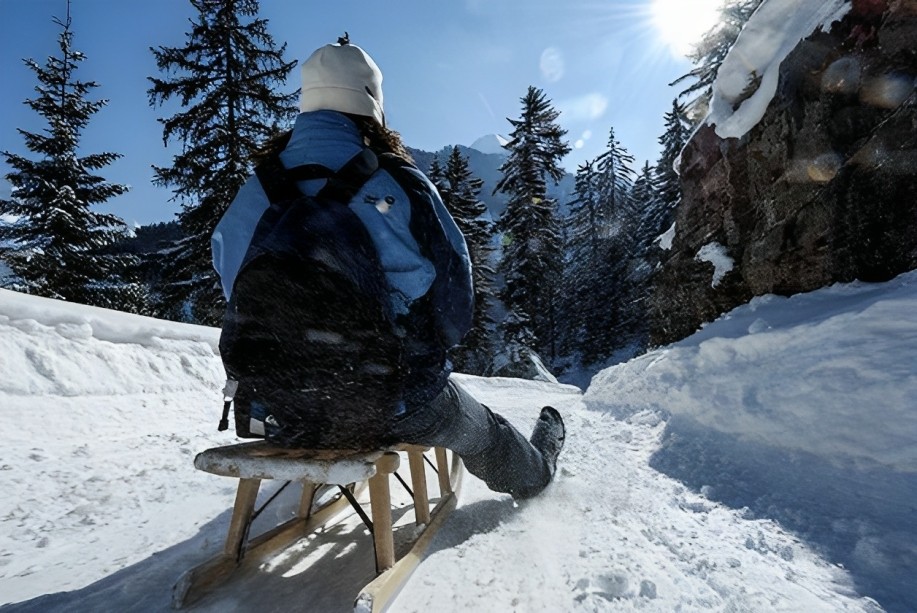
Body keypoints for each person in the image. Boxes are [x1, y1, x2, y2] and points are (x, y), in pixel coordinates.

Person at [211, 37, 564, 499]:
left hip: (275, 402)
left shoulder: (257, 189)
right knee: (483, 433)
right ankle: (535, 474)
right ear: (372, 105)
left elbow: (233, 283)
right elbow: (454, 296)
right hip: (387, 400)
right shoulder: (396, 182)